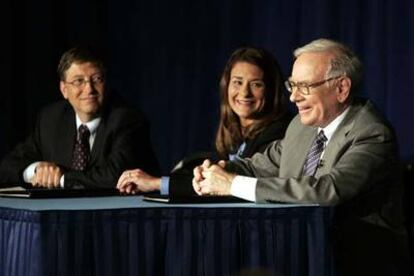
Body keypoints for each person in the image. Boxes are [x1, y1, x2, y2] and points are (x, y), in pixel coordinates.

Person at [192, 39, 412, 274]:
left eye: (305, 86)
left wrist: (232, 185)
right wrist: (219, 171)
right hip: (302, 255)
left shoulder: (372, 133)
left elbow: (326, 191)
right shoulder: (302, 125)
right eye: (292, 86)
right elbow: (261, 165)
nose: (293, 97)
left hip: (358, 264)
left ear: (341, 88)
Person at [117, 47, 292, 196]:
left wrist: (155, 183)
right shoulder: (236, 132)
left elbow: (225, 183)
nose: (244, 93)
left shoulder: (279, 132)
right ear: (226, 86)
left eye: (256, 84)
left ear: (272, 91)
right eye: (237, 82)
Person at [0, 46, 159, 189]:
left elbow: (115, 176)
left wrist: (60, 178)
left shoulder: (127, 119)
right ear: (64, 90)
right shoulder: (51, 119)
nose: (89, 89)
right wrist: (37, 170)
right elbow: (7, 166)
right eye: (78, 81)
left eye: (96, 79)